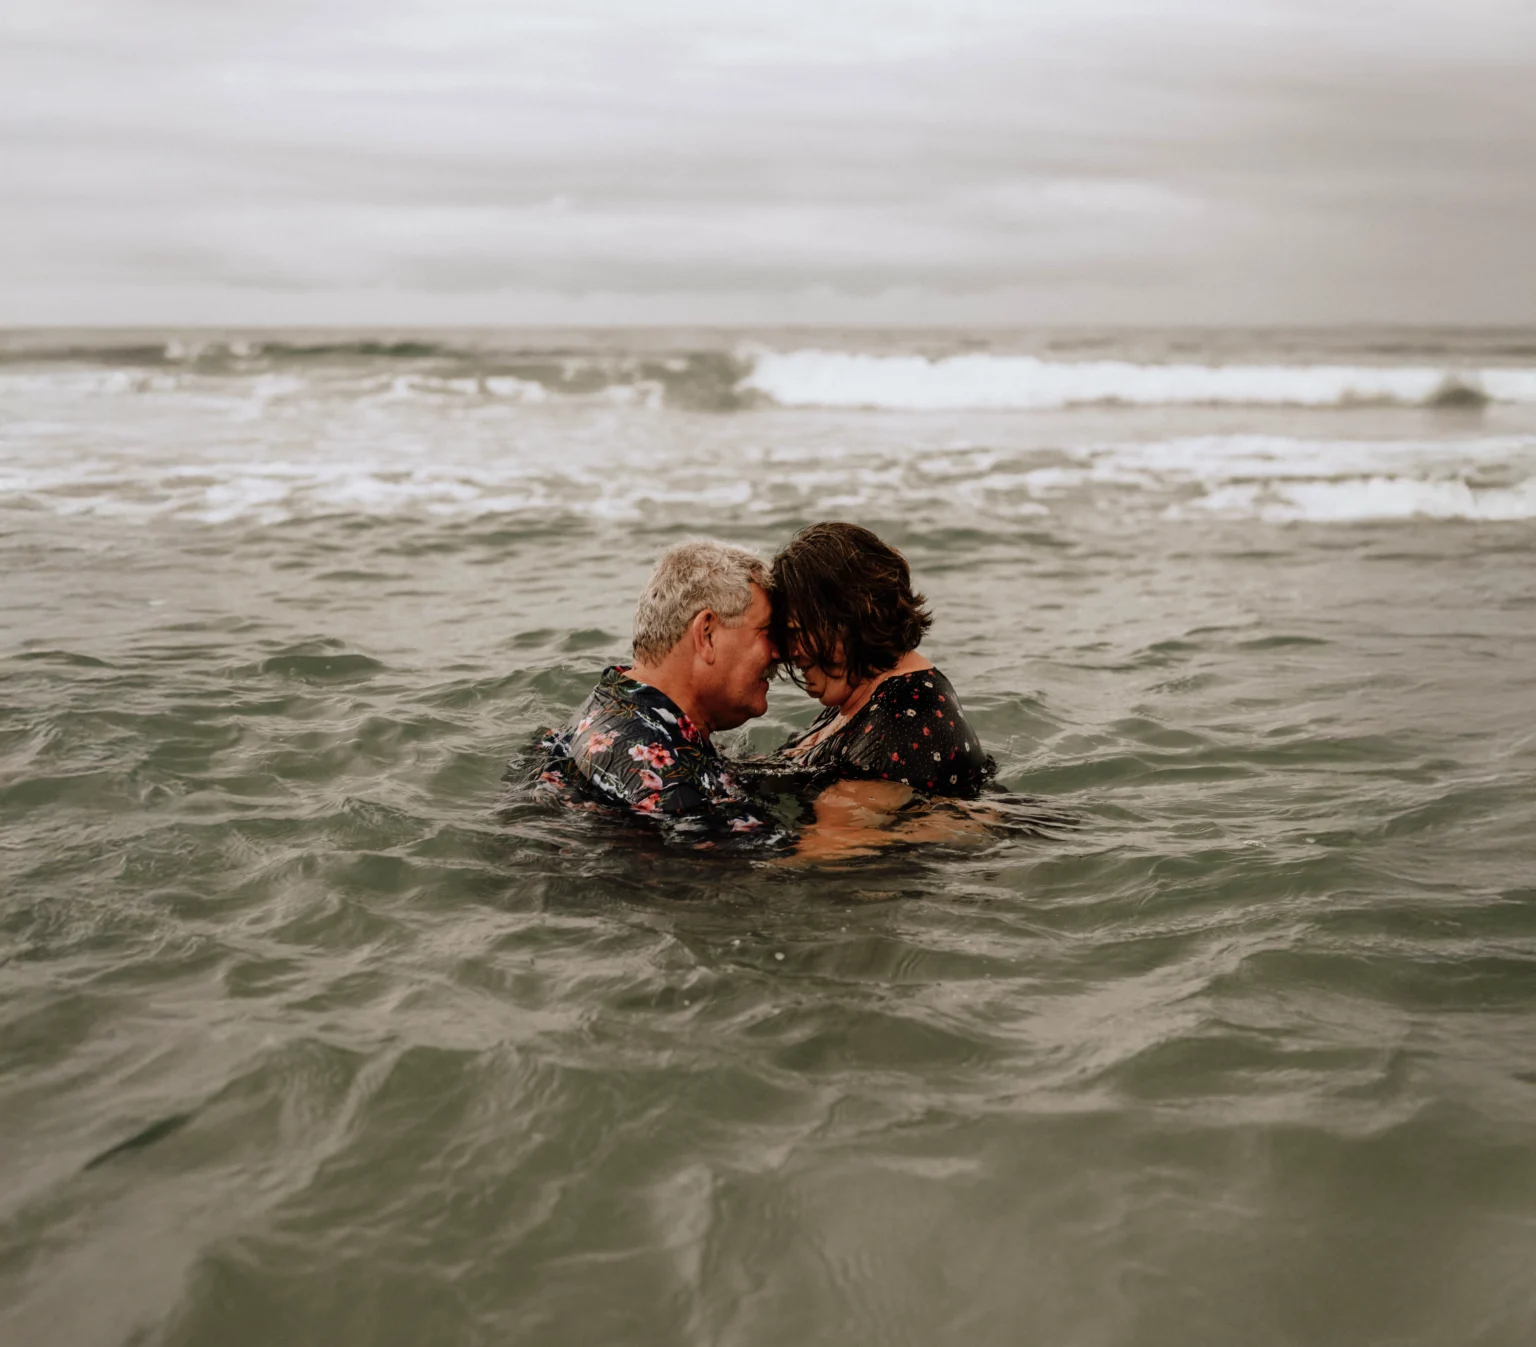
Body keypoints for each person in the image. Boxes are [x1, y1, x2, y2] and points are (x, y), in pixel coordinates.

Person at [768, 522, 995, 858]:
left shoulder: (901, 719)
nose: (789, 651)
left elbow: (827, 850)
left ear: (847, 618)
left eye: (796, 631)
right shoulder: (869, 694)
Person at [537, 539, 781, 838]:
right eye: (767, 632)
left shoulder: (606, 709)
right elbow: (770, 875)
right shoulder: (673, 788)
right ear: (707, 634)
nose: (780, 652)